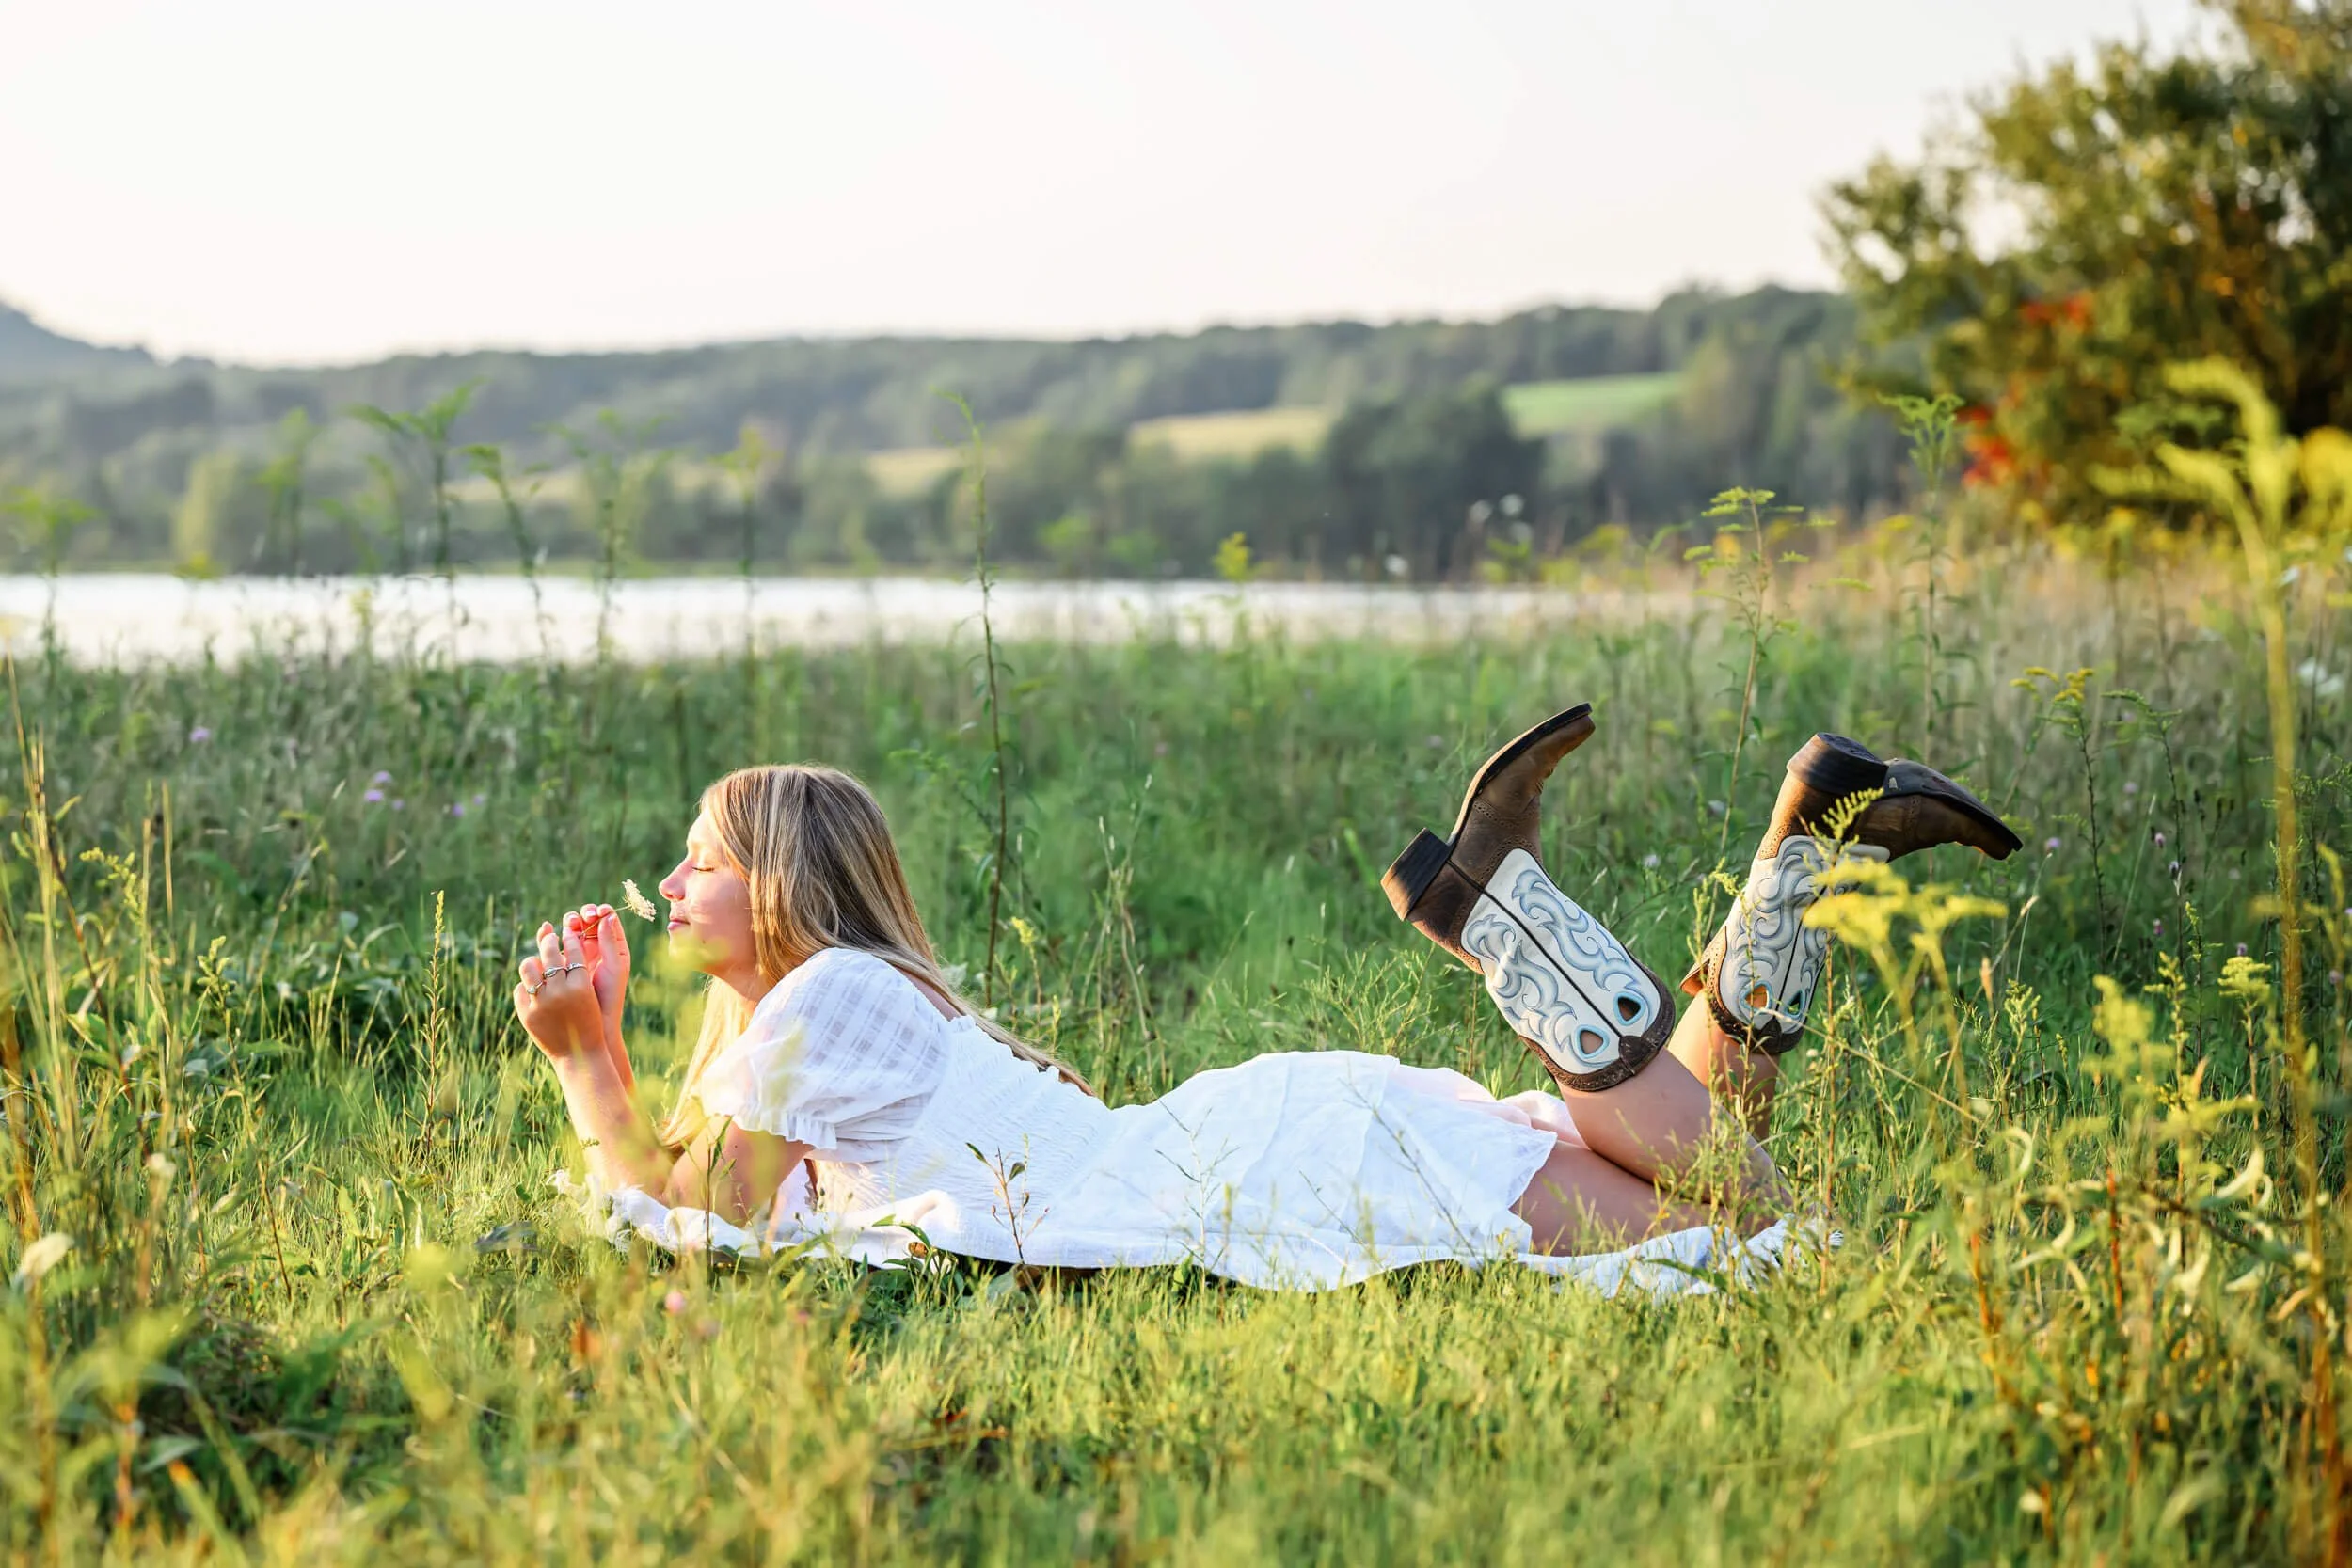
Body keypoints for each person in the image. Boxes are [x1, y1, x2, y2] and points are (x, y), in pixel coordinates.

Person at [514, 706, 2016, 1291]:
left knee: (1758, 1228)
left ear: (781, 879)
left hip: (1266, 1161)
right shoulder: (851, 1000)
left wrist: (587, 1051)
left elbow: (678, 1209)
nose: (671, 879)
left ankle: (1513, 920)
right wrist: (622, 1048)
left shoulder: (821, 1001)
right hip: (1263, 1137)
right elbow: (725, 1196)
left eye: (699, 859)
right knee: (1734, 1212)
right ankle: (1802, 844)